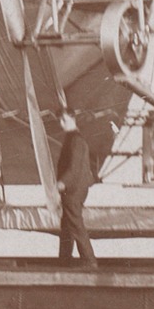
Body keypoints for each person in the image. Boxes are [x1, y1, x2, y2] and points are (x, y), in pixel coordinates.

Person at [55, 109, 99, 268]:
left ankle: (89, 260)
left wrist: (62, 183)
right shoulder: (72, 139)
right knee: (67, 224)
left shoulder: (76, 140)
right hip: (73, 188)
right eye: (60, 121)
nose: (61, 124)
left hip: (73, 189)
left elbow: (74, 168)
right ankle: (64, 258)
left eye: (64, 120)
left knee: (74, 223)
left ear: (73, 119)